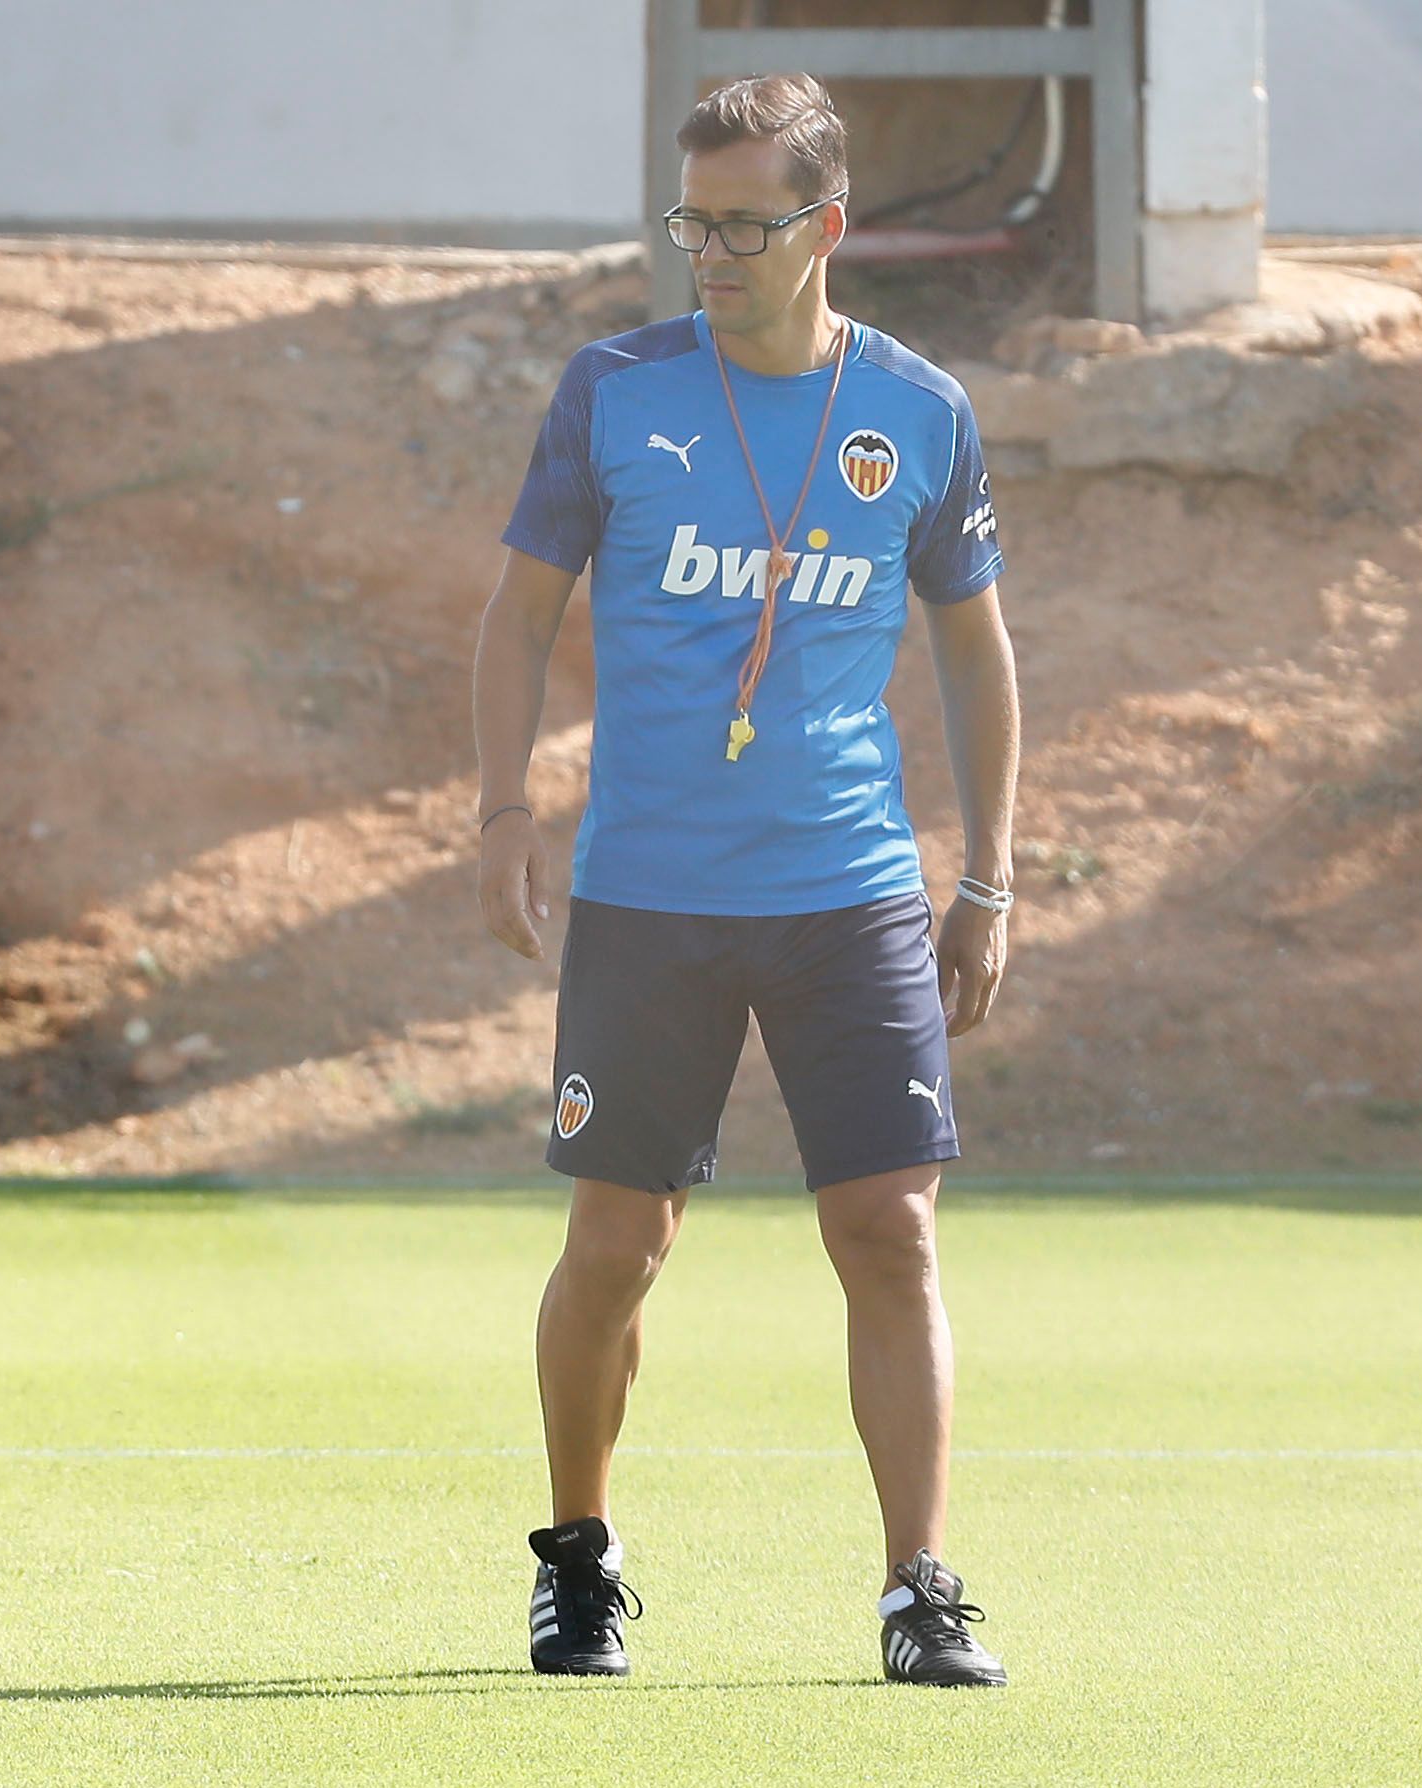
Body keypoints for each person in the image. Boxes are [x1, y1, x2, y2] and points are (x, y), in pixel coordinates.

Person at [471, 74, 1021, 1687]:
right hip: (650, 896)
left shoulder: (918, 410)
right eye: (692, 219)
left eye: (744, 222)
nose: (708, 248)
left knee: (893, 1235)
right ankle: (578, 1560)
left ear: (827, 228)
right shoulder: (614, 389)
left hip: (849, 893)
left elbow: (978, 657)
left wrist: (988, 880)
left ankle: (919, 1588)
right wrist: (502, 813)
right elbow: (516, 617)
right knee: (617, 1247)